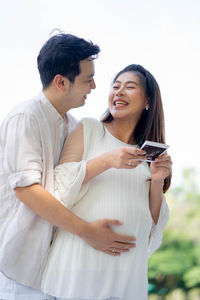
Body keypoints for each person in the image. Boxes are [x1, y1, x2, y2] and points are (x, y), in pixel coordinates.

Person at [0, 34, 136, 300]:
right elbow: (27, 191)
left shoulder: (74, 126)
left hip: (55, 270)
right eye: (88, 79)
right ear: (61, 82)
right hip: (19, 270)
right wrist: (89, 233)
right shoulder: (25, 116)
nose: (95, 86)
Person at [41, 64, 172, 300]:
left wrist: (156, 182)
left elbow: (152, 226)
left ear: (148, 101)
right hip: (79, 270)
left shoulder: (148, 155)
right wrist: (107, 161)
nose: (119, 92)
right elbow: (57, 185)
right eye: (115, 86)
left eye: (129, 87)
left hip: (126, 276)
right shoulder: (90, 129)